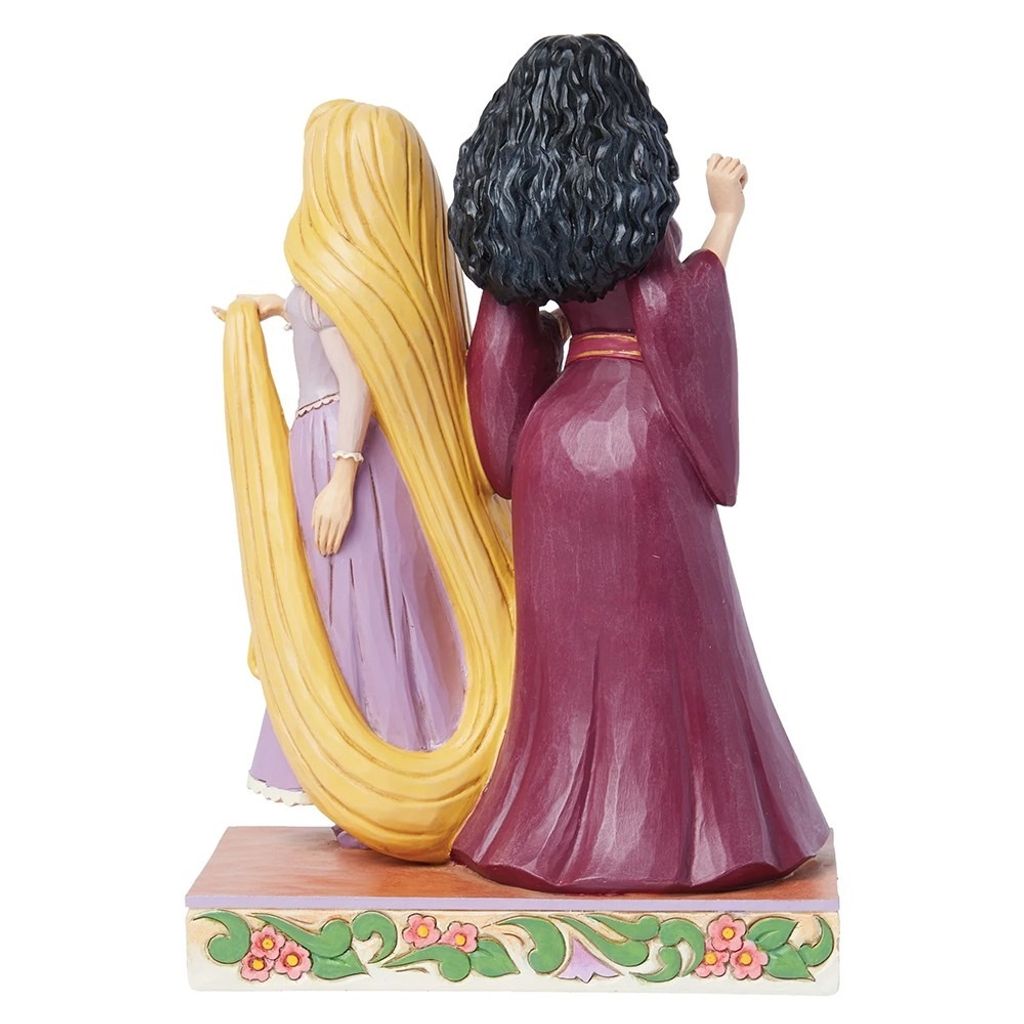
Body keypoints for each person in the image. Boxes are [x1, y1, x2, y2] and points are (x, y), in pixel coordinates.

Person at [447, 34, 830, 892]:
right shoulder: (635, 215)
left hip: (555, 446)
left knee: (568, 661)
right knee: (674, 644)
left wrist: (525, 435)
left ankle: (544, 822)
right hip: (641, 438)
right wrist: (726, 218)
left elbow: (499, 367)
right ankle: (684, 832)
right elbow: (676, 311)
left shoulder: (524, 228)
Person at [217, 100, 515, 860]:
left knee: (359, 608)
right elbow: (327, 329)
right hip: (342, 454)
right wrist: (280, 307)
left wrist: (343, 476)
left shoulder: (338, 280)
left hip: (344, 454)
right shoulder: (350, 276)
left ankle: (381, 760)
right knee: (348, 605)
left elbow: (357, 382)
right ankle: (383, 758)